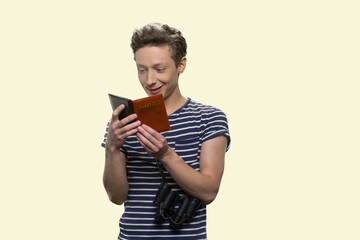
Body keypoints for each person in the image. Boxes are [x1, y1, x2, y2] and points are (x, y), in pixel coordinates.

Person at [101, 23, 231, 240]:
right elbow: (116, 196)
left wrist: (166, 155)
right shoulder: (124, 122)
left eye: (159, 69)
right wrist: (112, 147)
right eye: (142, 70)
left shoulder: (209, 118)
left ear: (181, 65)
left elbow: (208, 191)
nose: (149, 80)